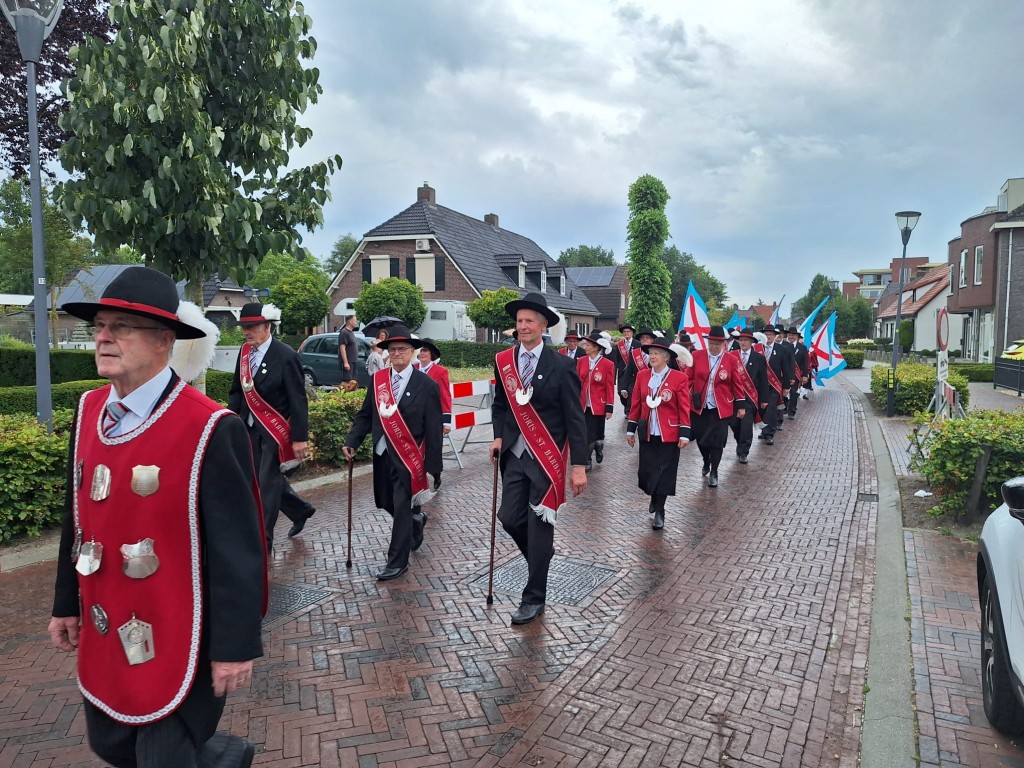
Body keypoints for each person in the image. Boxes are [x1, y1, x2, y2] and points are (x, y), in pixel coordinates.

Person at [50, 266, 265, 768]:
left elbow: (238, 550)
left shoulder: (210, 427)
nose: (102, 337)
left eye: (120, 327)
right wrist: (66, 603)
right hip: (105, 631)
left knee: (163, 757)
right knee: (110, 746)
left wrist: (235, 646)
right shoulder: (88, 410)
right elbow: (77, 517)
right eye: (99, 325)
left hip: (179, 639)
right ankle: (224, 757)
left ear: (164, 341)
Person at [490, 292, 588, 625]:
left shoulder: (561, 365)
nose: (523, 326)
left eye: (530, 320)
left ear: (544, 325)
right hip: (515, 455)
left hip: (547, 460)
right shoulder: (504, 361)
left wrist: (578, 466)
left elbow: (575, 417)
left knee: (539, 525)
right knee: (509, 518)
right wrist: (498, 436)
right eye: (519, 321)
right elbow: (501, 404)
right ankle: (541, 557)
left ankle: (533, 598)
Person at [343, 326, 442, 580]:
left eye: (403, 349)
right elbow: (366, 415)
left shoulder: (427, 385)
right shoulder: (378, 381)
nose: (397, 353)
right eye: (393, 349)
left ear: (413, 352)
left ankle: (397, 561)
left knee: (400, 505)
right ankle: (415, 521)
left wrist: (434, 465)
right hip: (382, 453)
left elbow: (433, 427)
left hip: (410, 458)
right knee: (386, 501)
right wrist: (353, 439)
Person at [228, 303, 314, 549]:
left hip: (277, 434)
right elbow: (237, 391)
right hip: (249, 428)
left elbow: (298, 400)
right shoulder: (244, 353)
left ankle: (262, 541)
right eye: (244, 327)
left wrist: (300, 438)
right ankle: (300, 510)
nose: (247, 331)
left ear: (267, 326)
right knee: (259, 479)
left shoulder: (286, 355)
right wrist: (231, 421)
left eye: (252, 326)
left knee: (265, 484)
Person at [625, 337, 692, 530]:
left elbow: (683, 407)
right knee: (647, 471)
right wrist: (631, 429)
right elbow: (636, 403)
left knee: (664, 473)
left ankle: (660, 510)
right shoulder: (643, 376)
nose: (651, 356)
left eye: (656, 353)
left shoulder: (679, 378)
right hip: (647, 432)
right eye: (650, 353)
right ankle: (653, 496)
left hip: (669, 433)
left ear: (666, 357)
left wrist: (684, 433)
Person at [689, 325, 749, 487]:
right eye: (712, 343)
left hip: (721, 408)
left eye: (718, 343)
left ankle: (714, 471)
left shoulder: (731, 360)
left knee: (717, 442)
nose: (714, 346)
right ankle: (705, 460)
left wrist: (741, 406)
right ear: (708, 342)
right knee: (701, 440)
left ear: (724, 344)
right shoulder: (696, 355)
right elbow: (688, 378)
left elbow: (737, 384)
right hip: (700, 406)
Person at [415, 338, 452, 490]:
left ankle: (436, 474)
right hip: (415, 417)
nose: (422, 353)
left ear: (431, 354)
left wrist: (446, 421)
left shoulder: (440, 371)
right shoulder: (413, 368)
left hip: (434, 417)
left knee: (434, 447)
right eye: (420, 350)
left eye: (425, 350)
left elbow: (445, 395)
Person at [576, 332, 616, 469]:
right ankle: (595, 448)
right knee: (582, 433)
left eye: (588, 345)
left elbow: (609, 387)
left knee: (591, 434)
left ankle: (587, 459)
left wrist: (609, 407)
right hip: (582, 405)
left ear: (596, 347)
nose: (585, 347)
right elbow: (576, 383)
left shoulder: (608, 364)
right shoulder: (581, 361)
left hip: (597, 405)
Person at [730, 328, 769, 464]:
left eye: (746, 340)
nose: (743, 342)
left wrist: (764, 399)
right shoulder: (732, 355)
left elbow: (763, 379)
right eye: (741, 340)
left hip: (749, 399)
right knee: (735, 424)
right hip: (734, 398)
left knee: (746, 426)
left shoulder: (759, 358)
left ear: (752, 342)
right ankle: (740, 442)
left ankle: (743, 452)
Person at [755, 325, 792, 446]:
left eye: (771, 334)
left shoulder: (782, 350)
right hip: (759, 385)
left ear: (775, 336)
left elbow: (786, 369)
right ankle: (764, 429)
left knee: (770, 408)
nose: (768, 337)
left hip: (774, 385)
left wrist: (786, 386)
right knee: (762, 408)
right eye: (766, 334)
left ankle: (769, 433)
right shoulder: (757, 348)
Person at [618, 327, 656, 409]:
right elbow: (629, 371)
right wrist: (624, 387)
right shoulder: (634, 353)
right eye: (642, 338)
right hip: (637, 387)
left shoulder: (657, 353)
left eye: (647, 338)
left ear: (652, 340)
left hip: (654, 387)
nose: (645, 339)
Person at [784, 326, 809, 419]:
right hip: (785, 374)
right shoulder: (783, 345)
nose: (791, 337)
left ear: (797, 337)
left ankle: (792, 411)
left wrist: (805, 375)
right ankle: (785, 407)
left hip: (796, 375)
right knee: (784, 393)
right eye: (789, 335)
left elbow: (805, 363)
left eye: (793, 335)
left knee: (794, 393)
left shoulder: (802, 348)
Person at [337, 314, 359, 383]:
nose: (356, 322)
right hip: (348, 361)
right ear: (350, 321)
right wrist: (346, 362)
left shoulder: (351, 333)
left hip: (353, 361)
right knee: (347, 381)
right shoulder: (344, 332)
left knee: (353, 381)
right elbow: (342, 348)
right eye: (355, 321)